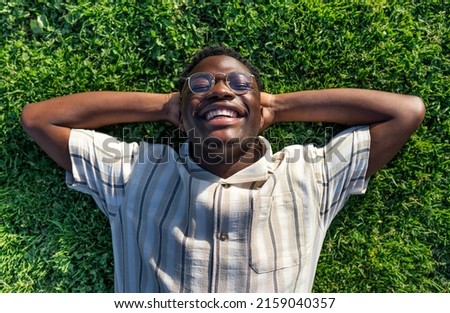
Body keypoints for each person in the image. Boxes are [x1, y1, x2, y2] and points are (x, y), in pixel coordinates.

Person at [21, 45, 425, 293]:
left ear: (261, 109)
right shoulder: (135, 174)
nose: (219, 89)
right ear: (181, 114)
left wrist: (278, 106)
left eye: (238, 83)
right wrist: (166, 106)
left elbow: (405, 112)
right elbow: (40, 119)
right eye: (199, 86)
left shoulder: (311, 177)